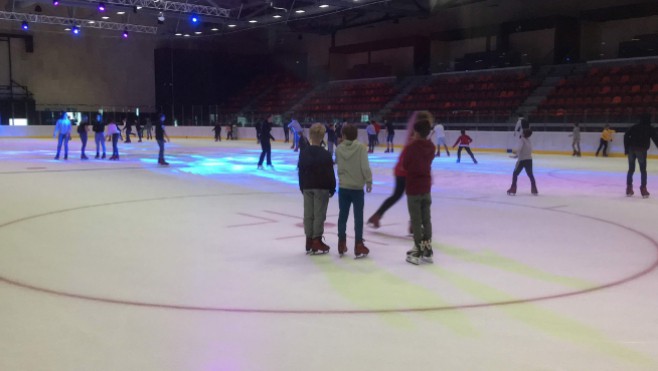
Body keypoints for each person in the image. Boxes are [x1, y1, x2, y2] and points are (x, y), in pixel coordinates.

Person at [367, 111, 431, 230]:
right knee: (416, 197)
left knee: (399, 195)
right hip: (408, 170)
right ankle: (413, 223)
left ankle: (377, 215)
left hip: (401, 169)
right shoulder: (417, 138)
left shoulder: (414, 136)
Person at [298, 123, 336, 255]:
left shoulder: (304, 153)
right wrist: (332, 187)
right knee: (319, 214)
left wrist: (302, 186)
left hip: (307, 186)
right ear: (322, 136)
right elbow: (330, 173)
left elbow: (301, 171)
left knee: (308, 214)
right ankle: (316, 240)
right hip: (321, 187)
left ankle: (309, 239)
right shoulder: (325, 154)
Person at [336, 124, 373, 259]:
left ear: (344, 135)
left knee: (343, 216)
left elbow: (339, 165)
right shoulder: (361, 148)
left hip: (344, 187)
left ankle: (341, 242)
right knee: (358, 217)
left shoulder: (339, 149)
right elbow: (365, 167)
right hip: (357, 188)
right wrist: (368, 180)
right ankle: (358, 243)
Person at [403, 119, 436, 265]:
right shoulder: (431, 146)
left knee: (416, 219)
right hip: (426, 186)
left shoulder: (411, 147)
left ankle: (417, 248)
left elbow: (406, 165)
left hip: (414, 187)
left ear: (416, 132)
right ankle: (427, 247)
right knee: (426, 218)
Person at [623, 114, 658, 198]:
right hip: (641, 150)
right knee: (643, 170)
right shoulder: (650, 128)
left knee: (631, 169)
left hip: (631, 149)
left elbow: (626, 135)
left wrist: (626, 148)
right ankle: (643, 188)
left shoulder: (634, 127)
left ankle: (629, 188)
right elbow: (656, 139)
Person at [507, 129, 538, 196]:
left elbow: (519, 149)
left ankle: (513, 188)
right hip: (529, 159)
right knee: (530, 175)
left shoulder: (522, 140)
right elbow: (529, 149)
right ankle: (534, 189)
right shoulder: (529, 141)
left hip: (522, 160)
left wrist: (514, 153)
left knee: (515, 174)